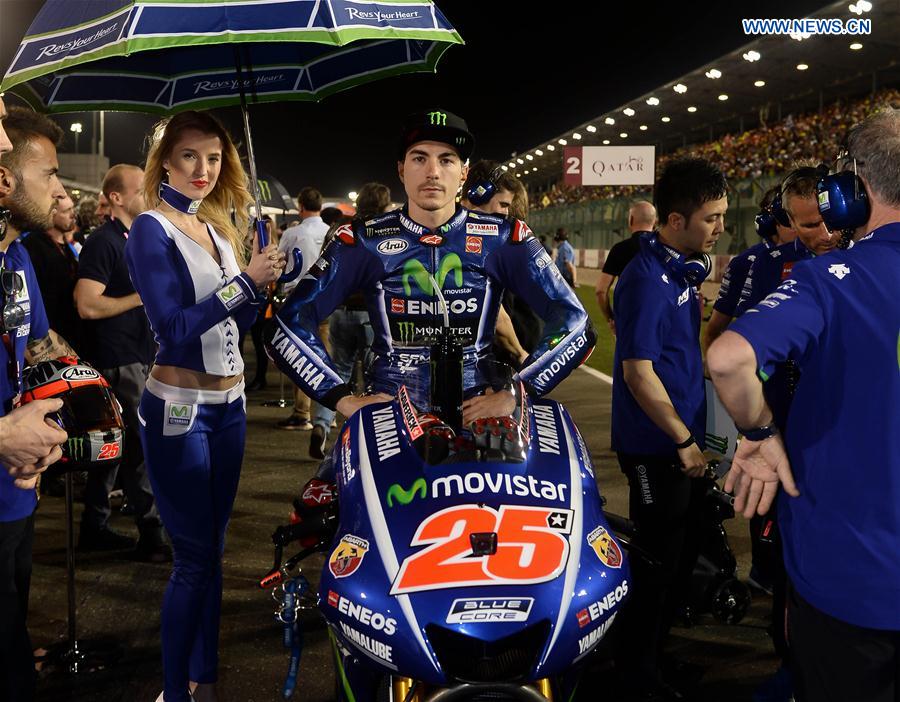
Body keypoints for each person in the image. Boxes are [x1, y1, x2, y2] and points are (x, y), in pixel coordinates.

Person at [707, 107, 900, 702]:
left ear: (851, 190)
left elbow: (727, 358)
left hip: (851, 584)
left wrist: (759, 433)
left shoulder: (830, 277)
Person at [266, 108, 594, 432]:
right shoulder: (362, 240)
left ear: (463, 173)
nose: (433, 172)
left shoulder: (504, 238)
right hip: (389, 418)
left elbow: (576, 323)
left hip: (478, 420)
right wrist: (341, 398)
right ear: (401, 169)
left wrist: (517, 392)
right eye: (419, 158)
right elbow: (288, 325)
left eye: (446, 160)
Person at [124, 110, 284, 702]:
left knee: (212, 555)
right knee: (193, 559)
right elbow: (171, 327)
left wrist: (264, 282)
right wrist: (244, 283)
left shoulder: (216, 229)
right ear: (166, 160)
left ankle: (205, 682)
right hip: (180, 409)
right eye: (190, 155)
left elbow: (239, 320)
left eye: (214, 158)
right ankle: (174, 691)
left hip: (231, 405)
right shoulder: (150, 229)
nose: (203, 169)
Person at [611, 157, 727, 700]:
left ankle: (655, 659)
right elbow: (638, 373)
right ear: (675, 220)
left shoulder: (679, 266)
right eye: (711, 218)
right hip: (656, 446)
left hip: (680, 441)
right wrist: (682, 440)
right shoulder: (646, 279)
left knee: (677, 559)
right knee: (655, 565)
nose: (721, 227)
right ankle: (635, 676)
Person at [0, 105, 75, 702]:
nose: (60, 188)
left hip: (15, 491)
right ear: (6, 181)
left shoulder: (17, 255)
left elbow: (40, 345)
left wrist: (88, 395)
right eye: (48, 173)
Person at [74, 163, 168, 561]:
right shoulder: (104, 241)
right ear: (116, 197)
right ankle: (151, 532)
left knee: (115, 447)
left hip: (137, 354)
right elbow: (86, 304)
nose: (150, 193)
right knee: (140, 447)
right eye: (141, 188)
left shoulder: (133, 238)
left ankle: (94, 526)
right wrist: (141, 297)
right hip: (118, 357)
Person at [309, 182, 391, 459]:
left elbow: (324, 266)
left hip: (341, 310)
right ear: (383, 205)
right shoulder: (386, 232)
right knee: (373, 380)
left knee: (339, 371)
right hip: (373, 314)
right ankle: (364, 440)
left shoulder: (340, 229)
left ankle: (321, 424)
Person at [703, 185, 796, 352]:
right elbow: (713, 331)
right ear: (770, 223)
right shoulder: (745, 262)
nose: (799, 227)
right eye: (789, 219)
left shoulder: (821, 255)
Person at [459, 160, 531, 366]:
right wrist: (521, 353)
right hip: (477, 363)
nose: (506, 213)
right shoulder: (464, 238)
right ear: (478, 195)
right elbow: (496, 315)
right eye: (504, 205)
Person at [275, 186, 330, 430]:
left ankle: (301, 412)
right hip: (327, 299)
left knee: (300, 355)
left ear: (301, 206)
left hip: (298, 298)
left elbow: (278, 261)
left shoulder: (293, 233)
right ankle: (326, 414)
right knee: (326, 356)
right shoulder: (331, 232)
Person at [22, 189, 88, 356]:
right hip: (49, 335)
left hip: (75, 334)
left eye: (73, 209)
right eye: (66, 211)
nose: (73, 215)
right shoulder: (33, 245)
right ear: (51, 213)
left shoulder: (69, 244)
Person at [595, 200, 657, 336]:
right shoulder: (668, 249)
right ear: (655, 222)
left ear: (631, 220)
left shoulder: (619, 249)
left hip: (628, 322)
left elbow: (600, 291)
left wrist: (611, 319)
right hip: (661, 322)